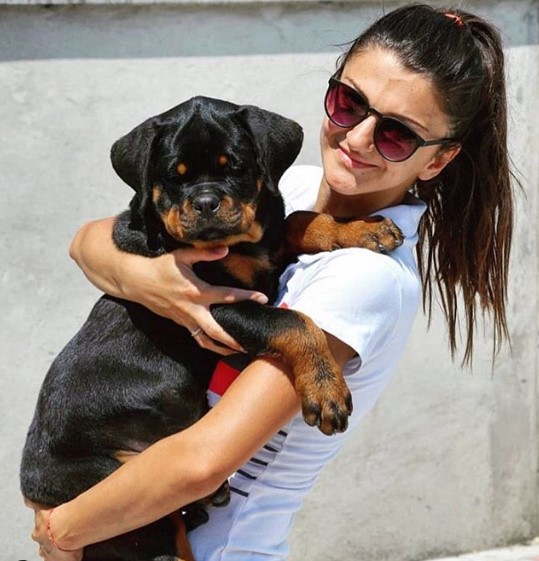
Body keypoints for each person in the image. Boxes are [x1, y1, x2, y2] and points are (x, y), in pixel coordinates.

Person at [26, 4, 515, 560]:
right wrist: (154, 280)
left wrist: (60, 531)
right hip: (112, 483)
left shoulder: (366, 279)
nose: (356, 138)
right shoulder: (297, 189)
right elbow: (87, 241)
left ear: (438, 159)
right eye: (348, 103)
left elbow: (201, 464)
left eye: (397, 135)